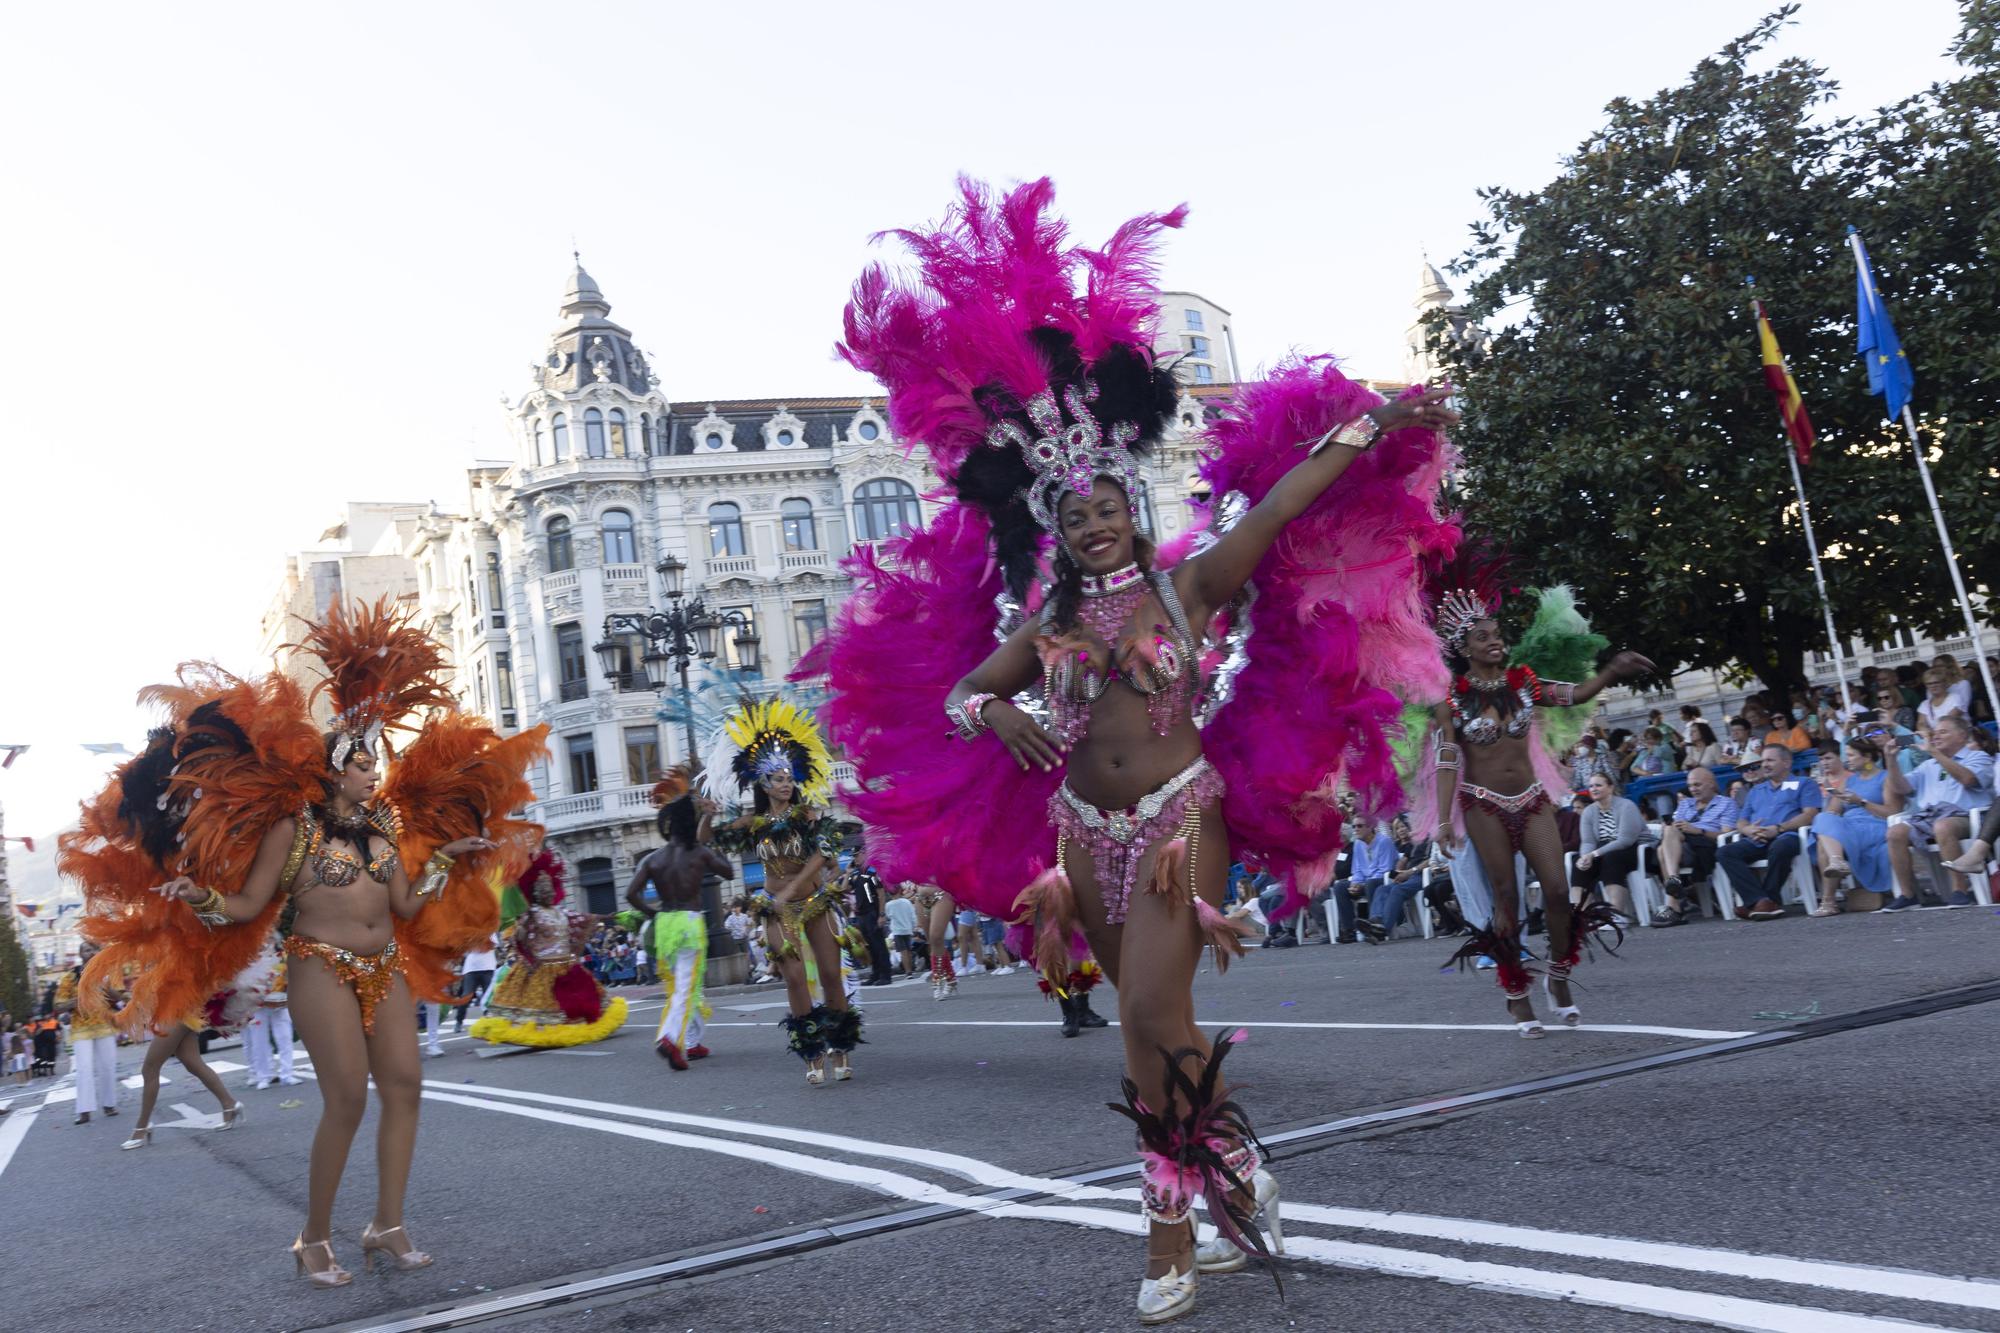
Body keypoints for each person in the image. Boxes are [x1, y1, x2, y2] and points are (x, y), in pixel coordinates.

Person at [817, 180, 1458, 1322]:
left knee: (1141, 1022)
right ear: (1056, 527)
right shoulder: (1044, 623)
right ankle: (1234, 1171)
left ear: (1129, 501)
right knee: (1157, 1024)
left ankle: (1167, 1232)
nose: (1094, 523)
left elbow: (1278, 503)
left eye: (1108, 504)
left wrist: (1371, 422)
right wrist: (991, 714)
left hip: (1178, 820)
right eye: (1075, 515)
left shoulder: (1188, 584)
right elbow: (968, 692)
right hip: (1081, 837)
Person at [64, 600, 545, 1287]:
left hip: (386, 964)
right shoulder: (295, 832)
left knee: (406, 1087)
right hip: (320, 965)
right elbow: (248, 905)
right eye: (360, 762)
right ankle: (313, 1238)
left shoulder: (382, 833)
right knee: (347, 1098)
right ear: (334, 768)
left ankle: (388, 1223)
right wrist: (197, 895)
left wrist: (445, 857)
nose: (372, 771)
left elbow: (405, 905)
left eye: (374, 761)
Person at [1426, 580, 1653, 1036]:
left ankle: (1560, 976)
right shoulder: (1451, 698)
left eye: (1497, 634)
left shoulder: (1523, 682)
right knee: (1505, 898)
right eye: (1483, 637)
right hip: (1483, 806)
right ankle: (1516, 993)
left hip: (1532, 801)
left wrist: (1612, 669)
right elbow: (1447, 757)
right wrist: (1444, 818)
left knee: (1555, 891)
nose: (1496, 642)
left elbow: (1578, 694)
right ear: (1462, 647)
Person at [705, 697, 860, 1086]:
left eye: (790, 777)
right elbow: (709, 840)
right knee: (793, 978)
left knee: (829, 974)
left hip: (814, 902)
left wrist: (793, 884)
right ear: (763, 782)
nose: (787, 783)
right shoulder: (752, 822)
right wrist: (705, 815)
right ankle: (811, 1052)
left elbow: (824, 856)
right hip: (777, 909)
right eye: (778, 778)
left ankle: (839, 1045)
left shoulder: (808, 816)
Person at [473, 852, 626, 1046]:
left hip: (567, 966)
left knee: (580, 1003)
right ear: (535, 893)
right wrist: (521, 931)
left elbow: (582, 918)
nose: (549, 893)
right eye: (543, 890)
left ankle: (574, 1029)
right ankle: (539, 1034)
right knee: (542, 1007)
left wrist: (605, 917)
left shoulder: (560, 912)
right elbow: (520, 937)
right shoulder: (531, 914)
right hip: (541, 968)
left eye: (550, 889)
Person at [1882, 716, 1994, 910]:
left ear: (1961, 736)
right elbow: (1901, 788)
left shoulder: (1978, 757)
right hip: (1929, 818)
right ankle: (1908, 895)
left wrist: (1933, 752)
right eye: (1935, 733)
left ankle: (1960, 891)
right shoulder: (1928, 765)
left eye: (1943, 732)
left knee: (1943, 825)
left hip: (1966, 817)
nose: (1936, 736)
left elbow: (1968, 779)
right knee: (1895, 832)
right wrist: (1890, 760)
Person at [1717, 743, 1823, 920]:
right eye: (1763, 760)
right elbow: (1741, 820)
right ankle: (1760, 900)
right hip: (1757, 838)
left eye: (1770, 760)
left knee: (1780, 846)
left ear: (1786, 763)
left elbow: (1810, 815)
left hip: (1788, 835)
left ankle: (1766, 900)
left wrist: (1778, 828)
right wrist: (1748, 829)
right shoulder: (1756, 790)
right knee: (1725, 852)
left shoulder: (1804, 783)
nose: (1764, 765)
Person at [1809, 735, 1903, 914]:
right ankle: (1836, 866)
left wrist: (1861, 802)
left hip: (1875, 826)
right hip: (1850, 827)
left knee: (1824, 839)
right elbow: (1833, 812)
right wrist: (1830, 791)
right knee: (1823, 822)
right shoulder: (1850, 780)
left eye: (1851, 755)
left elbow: (1893, 812)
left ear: (1867, 757)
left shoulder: (1886, 777)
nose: (1847, 760)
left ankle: (1828, 902)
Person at [1653, 766, 1737, 924]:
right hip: (1682, 846)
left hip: (1707, 845)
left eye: (1697, 785)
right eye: (1690, 785)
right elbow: (1674, 825)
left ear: (1711, 784)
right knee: (1668, 834)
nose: (1693, 789)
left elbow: (1726, 835)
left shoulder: (1726, 803)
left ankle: (1673, 904)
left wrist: (1698, 830)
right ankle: (1674, 888)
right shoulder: (1685, 804)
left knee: (1661, 851)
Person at [52, 943, 121, 1126]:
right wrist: (77, 1000)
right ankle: (84, 1110)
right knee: (84, 1069)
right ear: (80, 954)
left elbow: (117, 996)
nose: (91, 952)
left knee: (107, 1066)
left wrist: (111, 988)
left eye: (93, 949)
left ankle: (109, 1105)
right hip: (81, 1029)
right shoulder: (70, 977)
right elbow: (58, 1006)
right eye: (86, 950)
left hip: (104, 1025)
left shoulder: (105, 973)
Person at [1570, 772, 1647, 922]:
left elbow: (1625, 840)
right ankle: (1582, 916)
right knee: (1578, 864)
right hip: (1603, 850)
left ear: (1610, 788)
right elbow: (1587, 842)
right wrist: (1585, 857)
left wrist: (1594, 854)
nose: (1594, 789)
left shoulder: (1626, 806)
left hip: (1634, 849)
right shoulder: (1588, 812)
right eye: (1591, 786)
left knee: (1612, 858)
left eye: (1598, 785)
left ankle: (1616, 915)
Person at [244, 950, 300, 1089]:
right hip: (257, 1005)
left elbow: (290, 977)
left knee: (285, 1038)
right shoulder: (249, 957)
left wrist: (287, 994)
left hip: (280, 1002)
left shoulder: (282, 955)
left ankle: (287, 1075)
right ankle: (264, 1077)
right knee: (259, 1041)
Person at [844, 863, 896, 986]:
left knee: (879, 945)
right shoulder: (855, 874)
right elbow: (844, 888)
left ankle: (885, 975)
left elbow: (881, 892)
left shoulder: (872, 872)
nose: (855, 859)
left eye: (857, 855)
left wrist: (881, 914)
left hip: (872, 912)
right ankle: (875, 974)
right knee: (869, 946)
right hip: (861, 914)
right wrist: (847, 873)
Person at [451, 935, 498, 1034]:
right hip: (471, 968)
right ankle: (458, 1022)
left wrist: (479, 943)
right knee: (466, 996)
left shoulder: (490, 929)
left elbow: (492, 945)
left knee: (489, 996)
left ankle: (489, 1021)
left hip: (488, 967)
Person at [885, 887, 919, 977]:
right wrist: (914, 926)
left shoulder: (888, 905)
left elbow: (888, 916)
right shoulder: (906, 902)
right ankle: (911, 968)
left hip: (897, 931)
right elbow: (913, 915)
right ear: (900, 890)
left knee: (903, 952)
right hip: (908, 929)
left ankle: (908, 972)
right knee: (908, 950)